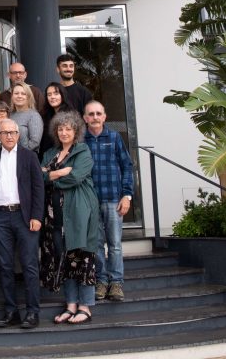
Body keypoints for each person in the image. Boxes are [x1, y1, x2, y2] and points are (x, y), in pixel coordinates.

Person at [41, 111, 99, 325]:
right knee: (64, 258)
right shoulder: (50, 152)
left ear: (76, 131)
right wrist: (59, 172)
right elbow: (40, 176)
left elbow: (75, 177)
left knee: (83, 256)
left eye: (68, 129)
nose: (64, 132)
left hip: (79, 211)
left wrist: (51, 175)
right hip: (55, 215)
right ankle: (71, 305)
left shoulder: (83, 151)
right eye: (60, 129)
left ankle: (85, 306)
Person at [0, 119, 44, 329]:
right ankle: (11, 312)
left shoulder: (29, 157)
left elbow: (38, 188)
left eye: (13, 132)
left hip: (24, 217)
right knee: (5, 266)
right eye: (5, 133)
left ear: (18, 135)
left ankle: (32, 312)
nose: (9, 136)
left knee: (29, 265)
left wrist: (36, 216)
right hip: (1, 217)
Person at [83, 101, 134, 302]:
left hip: (114, 199)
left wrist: (127, 195)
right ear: (85, 118)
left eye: (98, 113)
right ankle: (101, 281)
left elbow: (127, 166)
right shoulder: (81, 140)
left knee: (115, 245)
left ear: (104, 117)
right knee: (96, 244)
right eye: (91, 114)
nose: (95, 117)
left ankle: (116, 283)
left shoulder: (114, 138)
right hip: (91, 201)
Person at [40, 82, 77, 158]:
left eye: (56, 93)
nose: (52, 97)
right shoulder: (45, 114)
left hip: (65, 157)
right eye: (49, 95)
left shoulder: (70, 115)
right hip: (47, 157)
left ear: (62, 95)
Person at [9, 82, 44, 152]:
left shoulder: (33, 115)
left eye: (23, 94)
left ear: (28, 97)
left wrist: (20, 153)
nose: (19, 96)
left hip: (27, 155)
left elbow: (35, 143)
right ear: (12, 96)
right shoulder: (10, 115)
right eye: (16, 93)